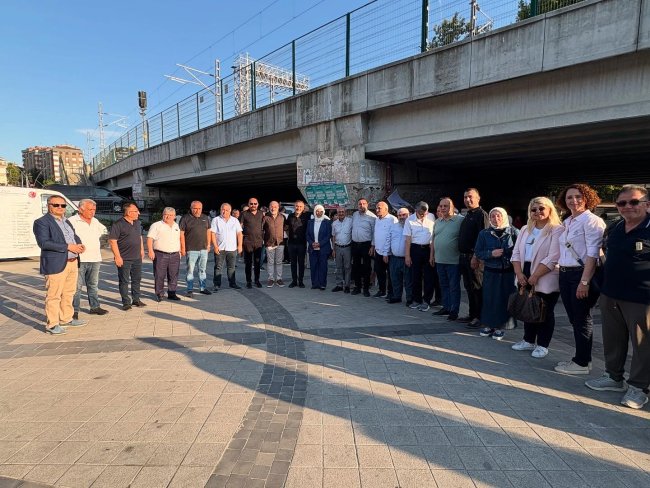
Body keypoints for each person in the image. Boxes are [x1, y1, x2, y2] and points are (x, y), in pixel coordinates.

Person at [585, 185, 650, 409]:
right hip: (611, 293)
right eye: (622, 203)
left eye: (634, 202)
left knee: (643, 344)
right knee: (613, 338)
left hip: (642, 298)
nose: (627, 207)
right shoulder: (615, 227)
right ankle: (613, 377)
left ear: (647, 204)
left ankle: (639, 387)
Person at [554, 183, 606, 375]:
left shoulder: (592, 221)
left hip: (581, 274)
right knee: (574, 318)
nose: (574, 200)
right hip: (565, 273)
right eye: (569, 197)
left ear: (587, 198)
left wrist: (584, 282)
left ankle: (582, 362)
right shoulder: (568, 221)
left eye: (578, 196)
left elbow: (593, 254)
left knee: (582, 318)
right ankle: (583, 358)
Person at [510, 197, 563, 358]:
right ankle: (528, 340)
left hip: (545, 273)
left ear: (550, 210)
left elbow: (553, 256)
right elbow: (516, 253)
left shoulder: (556, 229)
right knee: (528, 306)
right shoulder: (525, 229)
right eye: (534, 209)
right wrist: (519, 273)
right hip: (524, 271)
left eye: (541, 208)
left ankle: (543, 344)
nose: (537, 212)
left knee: (544, 310)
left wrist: (536, 275)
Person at [33, 195, 86, 334]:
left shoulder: (66, 221)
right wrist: (69, 247)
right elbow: (44, 243)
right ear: (48, 206)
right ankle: (52, 324)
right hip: (55, 263)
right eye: (56, 205)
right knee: (54, 295)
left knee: (69, 293)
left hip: (72, 262)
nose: (60, 208)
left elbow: (73, 236)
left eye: (63, 205)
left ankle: (66, 318)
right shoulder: (41, 222)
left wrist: (79, 244)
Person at [474, 207, 519, 340]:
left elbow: (520, 251)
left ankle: (501, 327)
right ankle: (489, 325)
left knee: (505, 299)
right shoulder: (484, 233)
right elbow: (478, 252)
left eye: (499, 216)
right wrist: (491, 254)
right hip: (491, 271)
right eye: (493, 216)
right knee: (489, 299)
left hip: (508, 272)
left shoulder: (514, 232)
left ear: (504, 216)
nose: (496, 218)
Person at [69, 198, 109, 319]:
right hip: (79, 259)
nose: (93, 212)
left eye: (94, 210)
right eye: (90, 209)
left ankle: (94, 307)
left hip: (95, 258)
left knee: (93, 284)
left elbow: (104, 233)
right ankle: (74, 311)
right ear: (81, 209)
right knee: (76, 287)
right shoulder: (71, 221)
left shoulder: (95, 221)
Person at [458, 188, 489, 328]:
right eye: (465, 197)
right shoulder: (468, 215)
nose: (467, 199)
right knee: (469, 287)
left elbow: (483, 238)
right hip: (464, 257)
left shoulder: (481, 215)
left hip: (474, 258)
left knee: (477, 287)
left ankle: (479, 317)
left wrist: (476, 256)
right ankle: (472, 314)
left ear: (478, 198)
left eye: (470, 197)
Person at [431, 198, 464, 321]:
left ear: (452, 207)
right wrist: (432, 255)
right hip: (439, 260)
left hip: (453, 261)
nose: (443, 208)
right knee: (443, 285)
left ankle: (454, 311)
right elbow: (433, 239)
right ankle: (446, 307)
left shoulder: (460, 220)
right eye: (441, 206)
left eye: (446, 206)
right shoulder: (437, 221)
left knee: (454, 287)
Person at [109, 202, 146, 311]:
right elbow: (112, 241)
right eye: (136, 211)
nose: (138, 213)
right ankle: (126, 302)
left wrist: (142, 250)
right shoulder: (118, 224)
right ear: (129, 213)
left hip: (137, 257)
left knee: (137, 279)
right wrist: (117, 257)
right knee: (124, 281)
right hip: (124, 258)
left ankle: (136, 299)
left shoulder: (137, 222)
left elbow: (139, 237)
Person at [404, 202, 435, 310]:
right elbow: (407, 240)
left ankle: (427, 301)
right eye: (421, 213)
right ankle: (416, 300)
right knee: (415, 276)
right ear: (416, 211)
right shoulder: (409, 220)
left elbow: (433, 237)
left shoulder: (431, 217)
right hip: (415, 249)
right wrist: (407, 256)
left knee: (428, 276)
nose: (424, 215)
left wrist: (432, 255)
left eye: (425, 213)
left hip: (428, 249)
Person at [147, 207, 182, 302]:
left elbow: (179, 239)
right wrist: (150, 251)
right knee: (159, 275)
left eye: (171, 215)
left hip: (175, 254)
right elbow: (150, 238)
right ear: (163, 215)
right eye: (166, 214)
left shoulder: (176, 226)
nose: (168, 217)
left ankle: (172, 293)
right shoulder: (156, 225)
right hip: (160, 254)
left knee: (173, 275)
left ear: (174, 216)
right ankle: (159, 294)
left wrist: (180, 251)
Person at [179, 200, 212, 298]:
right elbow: (181, 234)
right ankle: (190, 290)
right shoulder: (185, 218)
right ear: (191, 208)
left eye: (199, 208)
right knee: (190, 271)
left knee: (202, 270)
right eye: (195, 208)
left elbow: (208, 231)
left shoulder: (205, 218)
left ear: (202, 208)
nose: (197, 210)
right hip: (191, 249)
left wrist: (208, 244)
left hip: (203, 249)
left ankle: (203, 288)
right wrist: (183, 248)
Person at [211, 203, 243, 290]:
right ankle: (217, 284)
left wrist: (240, 245)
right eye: (223, 210)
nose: (224, 212)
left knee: (231, 267)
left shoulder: (235, 221)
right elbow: (212, 234)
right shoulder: (216, 220)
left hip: (232, 248)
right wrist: (215, 246)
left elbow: (239, 233)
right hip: (220, 248)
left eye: (226, 210)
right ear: (220, 210)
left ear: (230, 211)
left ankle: (232, 283)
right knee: (218, 267)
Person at [351, 198, 376, 297]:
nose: (361, 205)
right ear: (357, 205)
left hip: (366, 245)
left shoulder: (372, 217)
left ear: (367, 205)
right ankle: (357, 287)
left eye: (363, 203)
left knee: (366, 267)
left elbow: (374, 233)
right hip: (355, 244)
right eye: (360, 204)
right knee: (355, 266)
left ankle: (366, 288)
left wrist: (372, 246)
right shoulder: (355, 215)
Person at [387, 208, 412, 304]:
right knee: (395, 278)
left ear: (408, 215)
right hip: (394, 258)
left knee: (408, 280)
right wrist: (386, 253)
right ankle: (397, 296)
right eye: (399, 215)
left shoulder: (412, 226)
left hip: (407, 258)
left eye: (404, 215)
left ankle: (409, 298)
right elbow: (388, 240)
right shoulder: (393, 226)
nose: (402, 217)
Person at [372, 202, 397, 299]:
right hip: (378, 251)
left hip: (388, 253)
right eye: (376, 208)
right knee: (379, 271)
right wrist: (374, 246)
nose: (377, 210)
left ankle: (391, 292)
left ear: (386, 209)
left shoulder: (392, 219)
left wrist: (386, 252)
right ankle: (382, 291)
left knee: (390, 274)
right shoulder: (377, 219)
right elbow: (376, 234)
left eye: (379, 208)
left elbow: (391, 237)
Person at [306, 205, 332, 290]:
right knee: (313, 266)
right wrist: (312, 243)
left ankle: (322, 284)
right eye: (317, 211)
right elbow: (307, 235)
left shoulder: (327, 222)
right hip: (312, 248)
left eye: (321, 211)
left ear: (323, 212)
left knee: (323, 267)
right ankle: (315, 283)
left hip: (323, 248)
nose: (319, 213)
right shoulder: (310, 222)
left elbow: (328, 235)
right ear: (314, 212)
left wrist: (319, 244)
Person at [241, 197, 265, 288]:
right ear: (248, 204)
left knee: (257, 262)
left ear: (258, 204)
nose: (253, 205)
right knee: (248, 263)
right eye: (251, 203)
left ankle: (257, 280)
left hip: (258, 242)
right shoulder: (244, 214)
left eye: (255, 203)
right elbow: (239, 227)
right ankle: (248, 281)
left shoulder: (261, 214)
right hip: (248, 242)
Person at [286, 200, 309, 288]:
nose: (298, 208)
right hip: (291, 243)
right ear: (294, 206)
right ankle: (294, 281)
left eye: (300, 206)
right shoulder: (290, 216)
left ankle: (301, 281)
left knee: (301, 263)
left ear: (303, 208)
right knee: (293, 263)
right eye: (297, 206)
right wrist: (289, 236)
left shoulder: (306, 216)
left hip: (302, 244)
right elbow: (286, 227)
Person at [263, 201, 286, 287]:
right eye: (271, 207)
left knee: (279, 262)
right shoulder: (265, 217)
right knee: (270, 262)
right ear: (269, 207)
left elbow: (286, 228)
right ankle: (271, 279)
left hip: (280, 242)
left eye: (275, 207)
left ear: (278, 207)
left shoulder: (282, 217)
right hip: (269, 243)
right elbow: (262, 229)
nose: (273, 208)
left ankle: (279, 279)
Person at [331, 207, 353, 293]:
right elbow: (333, 236)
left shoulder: (350, 221)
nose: (341, 213)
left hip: (347, 247)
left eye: (342, 212)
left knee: (347, 267)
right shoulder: (334, 223)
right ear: (337, 213)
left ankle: (347, 285)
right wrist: (333, 249)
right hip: (338, 247)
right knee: (338, 267)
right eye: (339, 212)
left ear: (345, 212)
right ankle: (339, 285)